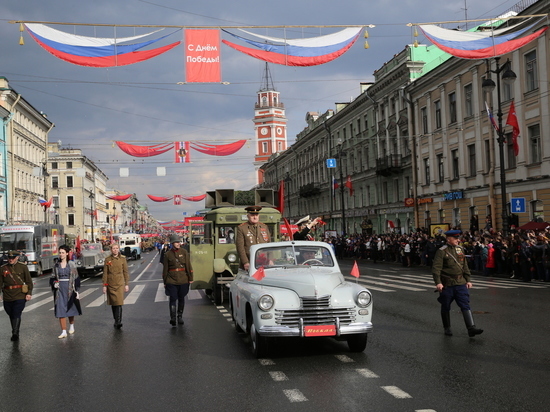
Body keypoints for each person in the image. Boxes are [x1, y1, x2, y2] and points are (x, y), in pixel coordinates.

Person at [432, 230, 483, 338]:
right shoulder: (441, 251)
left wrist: (468, 279)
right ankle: (447, 328)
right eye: (455, 239)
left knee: (465, 304)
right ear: (449, 239)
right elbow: (436, 268)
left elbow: (464, 266)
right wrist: (438, 283)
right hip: (448, 283)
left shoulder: (460, 249)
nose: (458, 240)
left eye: (458, 238)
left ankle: (471, 328)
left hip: (460, 282)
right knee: (445, 305)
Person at [0, 250, 33, 341]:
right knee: (10, 313)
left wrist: (29, 293)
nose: (10, 260)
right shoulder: (3, 268)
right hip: (7, 295)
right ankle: (14, 330)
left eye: (12, 258)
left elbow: (29, 281)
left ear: (17, 258)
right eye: (9, 258)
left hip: (20, 294)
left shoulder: (23, 267)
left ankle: (15, 333)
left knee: (16, 312)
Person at [50, 245, 81, 339]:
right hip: (59, 289)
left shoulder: (71, 264)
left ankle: (71, 325)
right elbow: (52, 277)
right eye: (60, 253)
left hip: (69, 288)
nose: (61, 254)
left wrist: (76, 290)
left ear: (67, 253)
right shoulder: (56, 265)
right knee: (60, 308)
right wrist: (54, 283)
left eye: (63, 252)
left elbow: (76, 278)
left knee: (70, 307)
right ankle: (63, 331)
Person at [162, 234, 193, 327]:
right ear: (172, 243)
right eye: (176, 242)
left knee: (181, 298)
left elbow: (188, 265)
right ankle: (173, 318)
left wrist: (190, 278)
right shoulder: (167, 254)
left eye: (178, 242)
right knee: (172, 298)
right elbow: (165, 269)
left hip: (183, 279)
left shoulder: (184, 252)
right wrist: (165, 281)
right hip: (171, 279)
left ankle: (180, 316)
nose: (178, 244)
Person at [102, 243, 129, 329]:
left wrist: (126, 284)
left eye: (117, 248)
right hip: (111, 284)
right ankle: (116, 319)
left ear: (119, 249)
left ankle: (118, 321)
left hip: (120, 283)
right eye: (113, 248)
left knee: (119, 303)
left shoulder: (123, 259)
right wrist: (104, 285)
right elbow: (105, 273)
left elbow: (125, 272)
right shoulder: (107, 259)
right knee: (114, 303)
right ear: (111, 250)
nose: (115, 250)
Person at [236, 205, 271, 270]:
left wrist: (270, 259)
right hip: (250, 262)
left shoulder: (264, 227)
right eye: (252, 215)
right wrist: (245, 262)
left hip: (263, 262)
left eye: (256, 215)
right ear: (248, 216)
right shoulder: (242, 228)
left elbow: (269, 244)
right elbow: (240, 247)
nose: (255, 217)